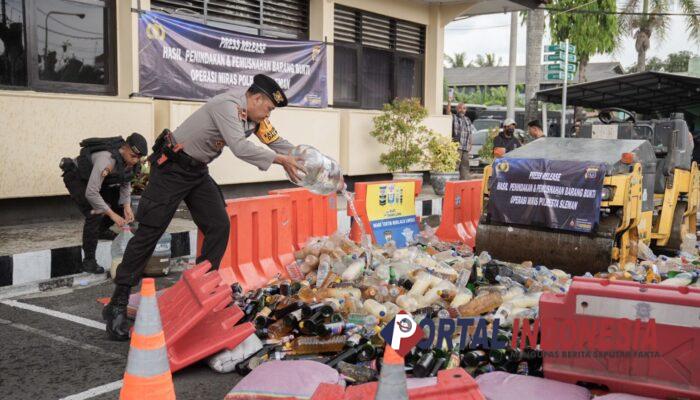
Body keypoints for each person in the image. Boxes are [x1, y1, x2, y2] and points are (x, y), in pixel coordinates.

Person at [102, 74, 307, 341]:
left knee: (218, 225)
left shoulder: (255, 118)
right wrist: (282, 160)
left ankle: (200, 291)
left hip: (196, 171)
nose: (268, 115)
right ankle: (117, 303)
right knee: (150, 233)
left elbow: (276, 142)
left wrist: (303, 158)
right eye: (268, 108)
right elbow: (240, 147)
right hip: (172, 168)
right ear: (257, 98)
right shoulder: (228, 106)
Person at [60, 134, 147, 274]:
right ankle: (89, 261)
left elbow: (125, 180)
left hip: (95, 182)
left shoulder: (129, 161)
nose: (136, 160)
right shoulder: (106, 160)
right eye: (133, 156)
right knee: (96, 211)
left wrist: (126, 206)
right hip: (77, 178)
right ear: (124, 148)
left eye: (139, 158)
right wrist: (112, 215)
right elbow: (91, 193)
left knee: (119, 206)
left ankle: (100, 231)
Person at [450, 102, 475, 179]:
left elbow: (470, 133)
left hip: (466, 147)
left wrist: (471, 144)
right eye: (460, 108)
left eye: (464, 108)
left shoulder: (467, 119)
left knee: (465, 166)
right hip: (457, 146)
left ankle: (464, 183)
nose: (462, 110)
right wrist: (449, 101)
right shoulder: (454, 117)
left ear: (466, 110)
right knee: (455, 165)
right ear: (457, 109)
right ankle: (453, 182)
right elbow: (448, 112)